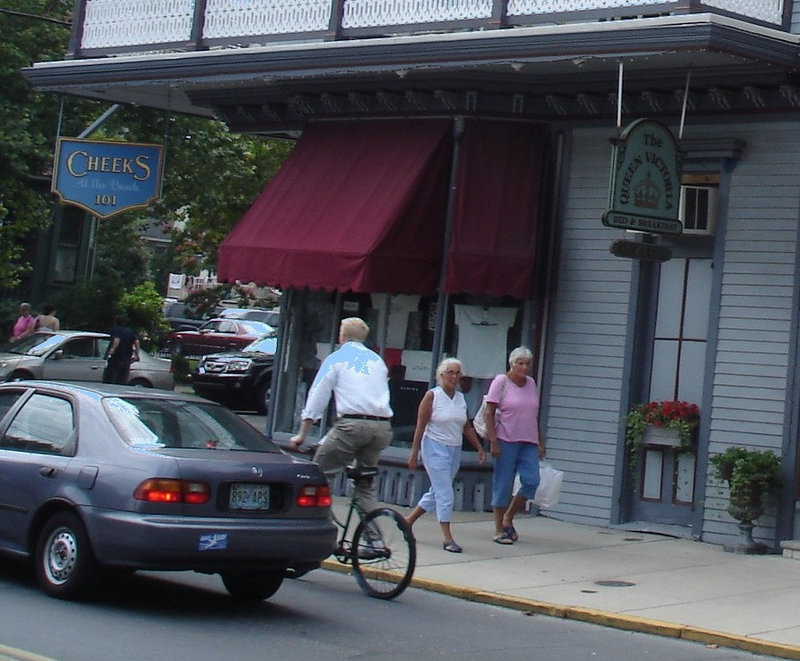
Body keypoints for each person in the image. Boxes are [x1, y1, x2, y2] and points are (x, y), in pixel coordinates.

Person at [289, 317, 393, 515]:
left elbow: (318, 396)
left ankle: (318, 526)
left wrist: (302, 434)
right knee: (365, 485)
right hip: (381, 428)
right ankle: (373, 540)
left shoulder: (336, 358)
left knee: (318, 477)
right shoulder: (377, 360)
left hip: (352, 426)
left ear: (342, 336)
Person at [406, 358, 486, 553]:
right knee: (445, 494)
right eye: (450, 372)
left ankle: (407, 521)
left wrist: (479, 447)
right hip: (434, 446)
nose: (454, 376)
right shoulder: (432, 396)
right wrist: (414, 452)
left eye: (458, 373)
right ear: (441, 375)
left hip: (454, 448)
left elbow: (466, 426)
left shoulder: (460, 398)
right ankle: (447, 537)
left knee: (437, 491)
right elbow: (421, 425)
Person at [484, 346, 545, 545]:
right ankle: (498, 529)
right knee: (503, 484)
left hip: (528, 440)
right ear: (512, 364)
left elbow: (533, 415)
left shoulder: (531, 383)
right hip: (506, 439)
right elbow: (489, 412)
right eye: (520, 363)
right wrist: (493, 441)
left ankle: (508, 516)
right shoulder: (501, 381)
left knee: (532, 480)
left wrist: (540, 441)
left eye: (527, 364)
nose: (525, 367)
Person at [103, 315, 140, 385]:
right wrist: (136, 354)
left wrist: (111, 351)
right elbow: (137, 342)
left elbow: (117, 340)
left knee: (111, 379)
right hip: (126, 360)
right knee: (122, 380)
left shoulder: (116, 330)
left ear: (115, 322)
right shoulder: (130, 331)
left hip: (116, 359)